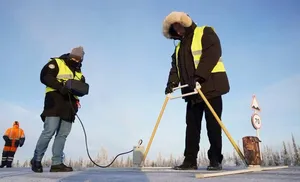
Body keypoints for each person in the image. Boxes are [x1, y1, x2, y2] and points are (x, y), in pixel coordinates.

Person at [162, 11, 230, 170]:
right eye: (175, 29)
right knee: (192, 127)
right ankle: (190, 160)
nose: (178, 30)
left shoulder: (204, 32)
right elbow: (175, 68)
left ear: (185, 22)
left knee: (213, 125)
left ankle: (215, 160)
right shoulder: (178, 49)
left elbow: (213, 53)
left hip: (210, 87)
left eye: (179, 26)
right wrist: (171, 83)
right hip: (192, 92)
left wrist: (199, 76)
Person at [30, 46, 89, 173]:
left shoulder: (80, 73)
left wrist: (79, 92)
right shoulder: (56, 63)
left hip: (70, 106)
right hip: (55, 102)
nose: (77, 61)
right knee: (49, 131)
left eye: (80, 59)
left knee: (62, 135)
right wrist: (60, 86)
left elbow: (82, 89)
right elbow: (45, 76)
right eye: (75, 58)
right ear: (70, 55)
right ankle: (36, 159)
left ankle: (57, 163)